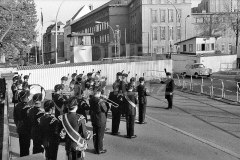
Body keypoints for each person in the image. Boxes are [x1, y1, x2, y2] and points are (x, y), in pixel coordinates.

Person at [89, 85, 107, 154]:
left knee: (95, 134)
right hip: (100, 119)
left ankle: (96, 147)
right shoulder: (100, 101)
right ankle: (100, 149)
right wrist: (104, 101)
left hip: (94, 118)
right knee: (100, 135)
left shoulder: (91, 99)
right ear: (99, 92)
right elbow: (105, 109)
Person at [13, 90, 31, 157]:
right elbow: (30, 119)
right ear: (25, 98)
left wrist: (18, 125)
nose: (28, 98)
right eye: (28, 97)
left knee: (22, 145)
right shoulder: (28, 107)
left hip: (20, 127)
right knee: (26, 146)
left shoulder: (17, 106)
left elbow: (15, 118)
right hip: (26, 128)